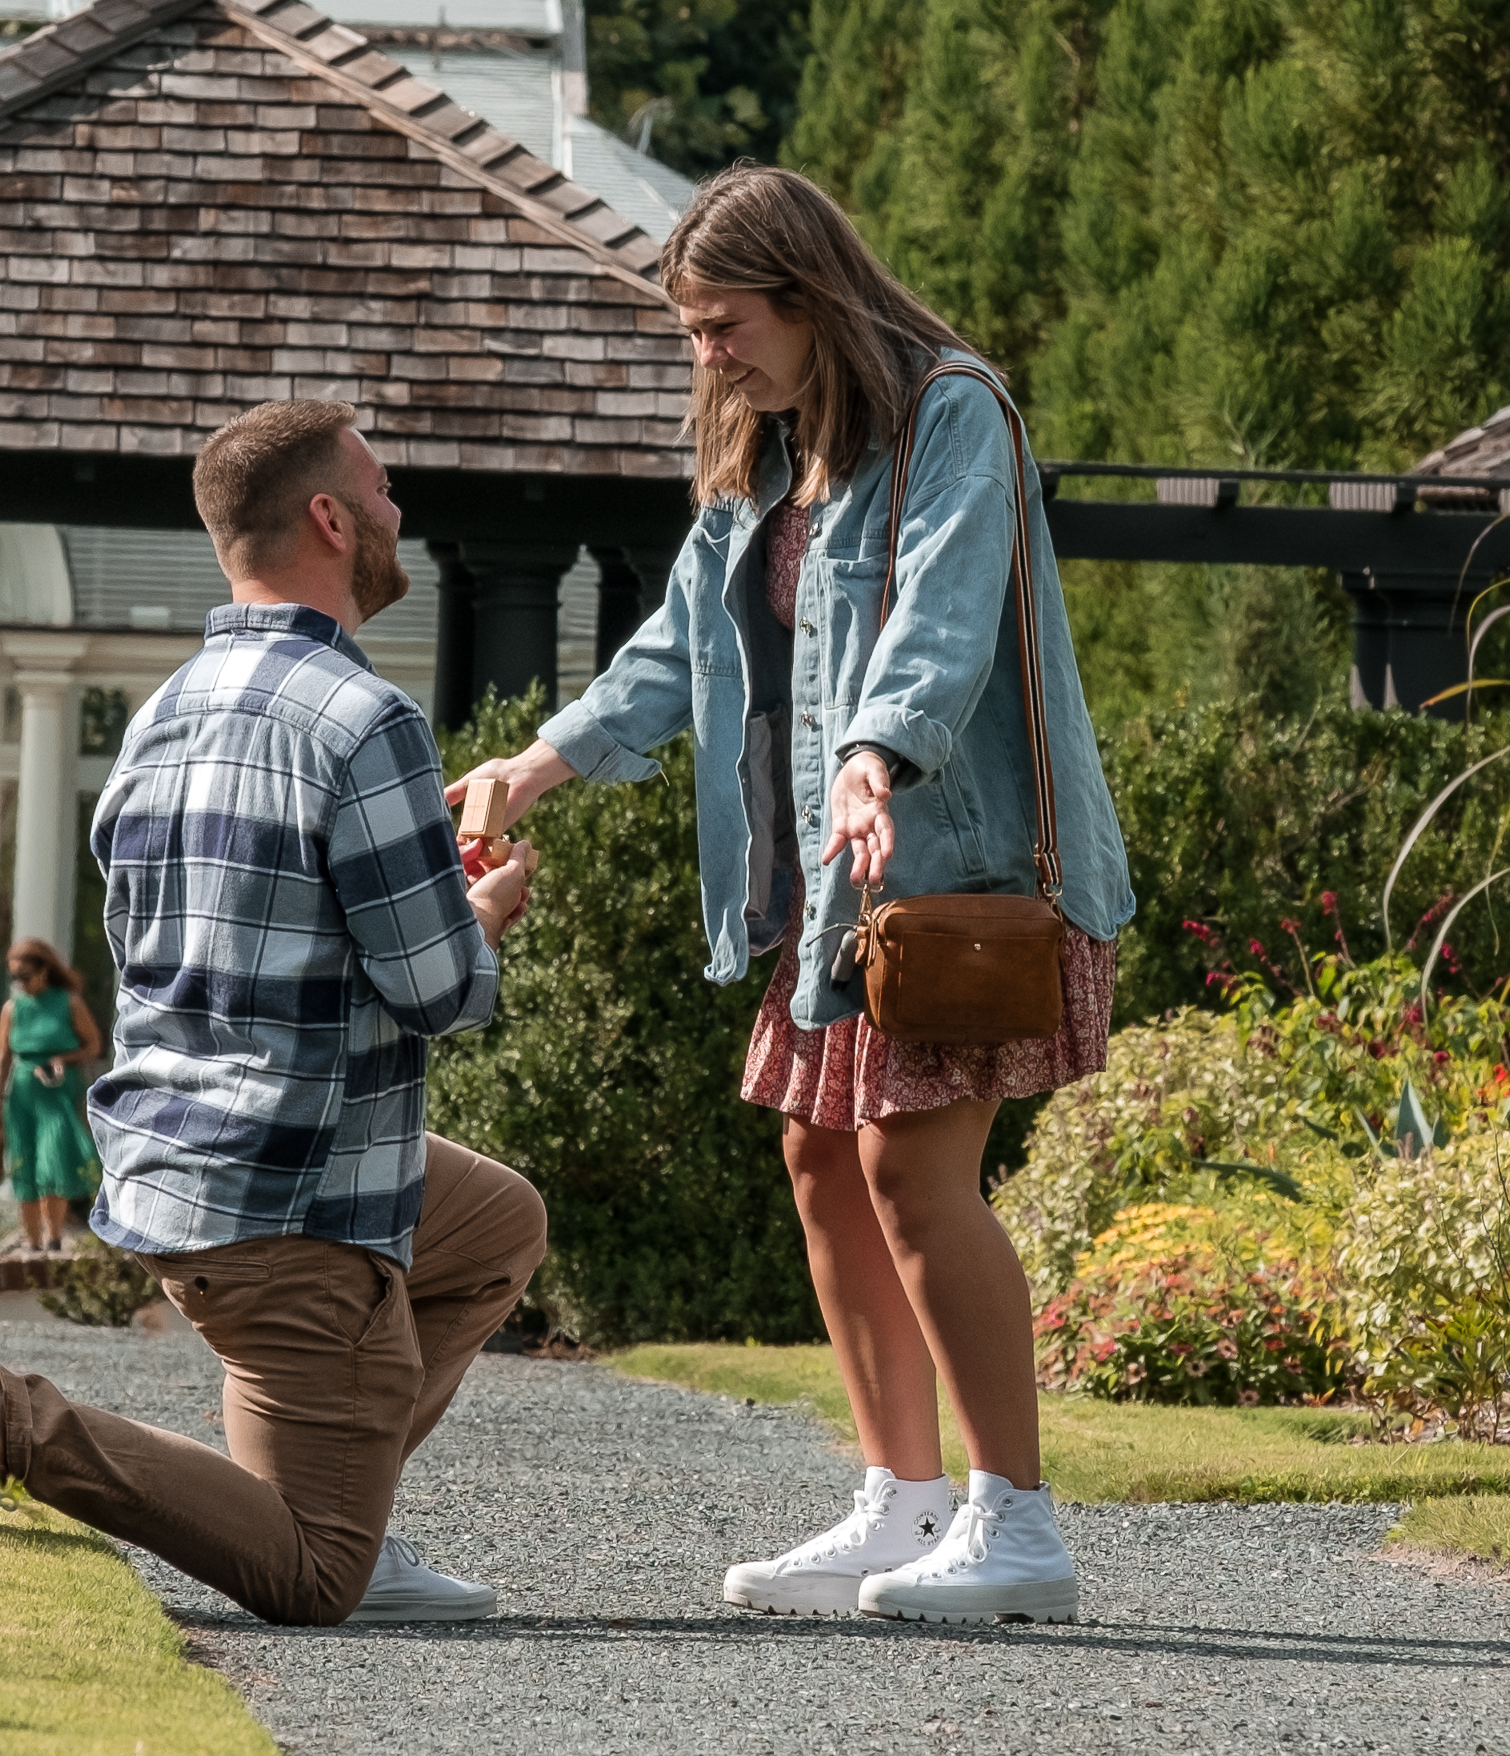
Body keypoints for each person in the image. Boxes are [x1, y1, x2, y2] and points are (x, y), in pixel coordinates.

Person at [452, 167, 1133, 1623]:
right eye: (692, 329)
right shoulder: (775, 463)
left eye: (722, 323)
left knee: (906, 1170)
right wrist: (538, 761)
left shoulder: (955, 413)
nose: (707, 354)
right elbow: (674, 653)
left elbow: (948, 609)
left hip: (958, 874)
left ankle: (1020, 1528)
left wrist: (876, 756)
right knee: (823, 1165)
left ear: (811, 298)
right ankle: (903, 1504)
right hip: (840, 894)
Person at [0, 398, 545, 1627]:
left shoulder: (159, 715)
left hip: (176, 1161)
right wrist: (477, 918)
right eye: (380, 492)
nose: (396, 511)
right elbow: (432, 987)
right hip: (292, 1196)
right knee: (311, 1577)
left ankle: (353, 1493)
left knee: (494, 1225)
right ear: (328, 517)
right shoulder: (365, 721)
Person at [0, 935, 107, 1254]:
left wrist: (63, 1059)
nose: (20, 983)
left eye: (25, 976)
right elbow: (3, 1056)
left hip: (57, 1091)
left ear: (44, 970)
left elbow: (94, 1046)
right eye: (14, 977)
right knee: (23, 1162)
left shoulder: (68, 1002)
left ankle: (54, 1236)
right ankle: (31, 1242)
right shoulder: (11, 1008)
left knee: (53, 1161)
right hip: (21, 1090)